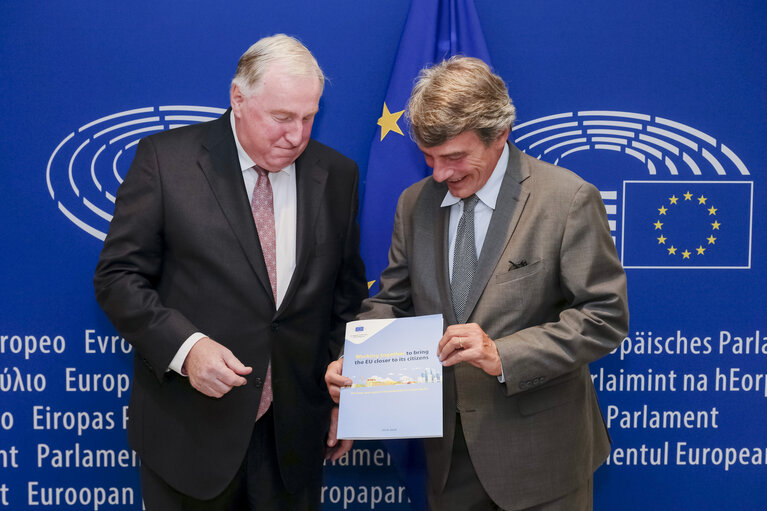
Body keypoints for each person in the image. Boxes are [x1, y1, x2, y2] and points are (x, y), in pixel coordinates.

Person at [325, 56, 628, 511]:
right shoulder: (415, 204)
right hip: (448, 459)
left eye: (454, 157)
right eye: (428, 158)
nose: (440, 174)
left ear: (500, 135)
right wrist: (358, 364)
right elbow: (393, 301)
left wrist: (502, 354)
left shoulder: (566, 199)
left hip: (542, 461)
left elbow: (604, 317)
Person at [94, 34, 367, 510]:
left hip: (293, 443)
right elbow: (117, 278)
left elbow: (344, 300)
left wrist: (346, 399)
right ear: (238, 98)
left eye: (309, 117)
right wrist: (187, 347)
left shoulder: (336, 175)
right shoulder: (166, 161)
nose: (297, 135)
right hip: (189, 438)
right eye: (282, 117)